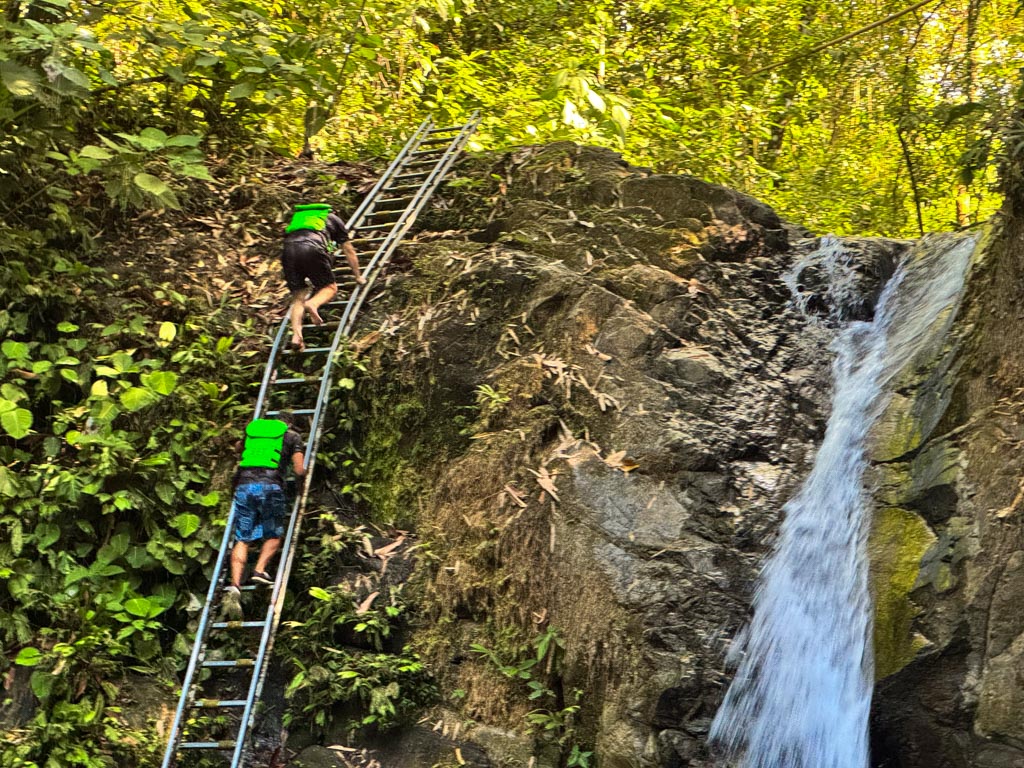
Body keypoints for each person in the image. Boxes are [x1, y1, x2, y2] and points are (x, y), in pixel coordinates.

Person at [221, 414, 306, 619]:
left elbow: (239, 449)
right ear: (288, 424)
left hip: (244, 485)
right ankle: (259, 571)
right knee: (273, 533)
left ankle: (235, 585)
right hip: (270, 486)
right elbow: (298, 469)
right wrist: (302, 481)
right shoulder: (292, 436)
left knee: (242, 537)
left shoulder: (252, 432)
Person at [281, 202, 366, 352]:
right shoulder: (332, 218)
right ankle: (313, 304)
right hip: (312, 248)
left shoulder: (299, 218)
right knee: (330, 288)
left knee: (298, 297)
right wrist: (358, 276)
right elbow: (348, 249)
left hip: (288, 251)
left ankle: (296, 335)